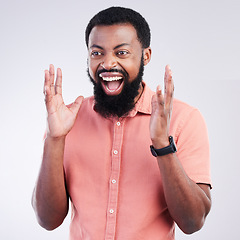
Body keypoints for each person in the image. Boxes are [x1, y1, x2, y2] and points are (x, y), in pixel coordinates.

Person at [32, 6, 212, 240]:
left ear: (145, 55)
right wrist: (55, 139)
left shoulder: (184, 119)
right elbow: (47, 220)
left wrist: (162, 144)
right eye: (97, 53)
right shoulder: (67, 121)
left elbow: (193, 221)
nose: (108, 64)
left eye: (121, 53)